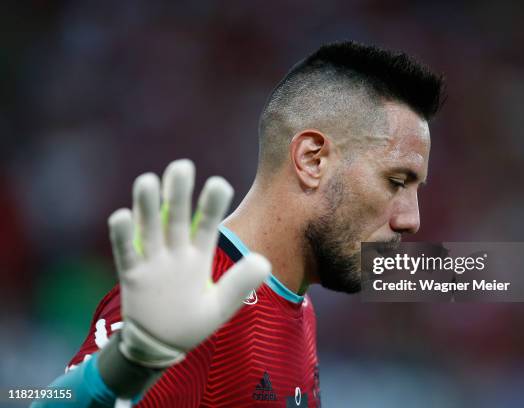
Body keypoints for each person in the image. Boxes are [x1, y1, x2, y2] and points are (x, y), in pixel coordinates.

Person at [33, 41, 444, 407]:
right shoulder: (191, 296)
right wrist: (132, 360)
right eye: (396, 182)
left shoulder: (299, 303)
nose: (411, 219)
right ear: (312, 160)